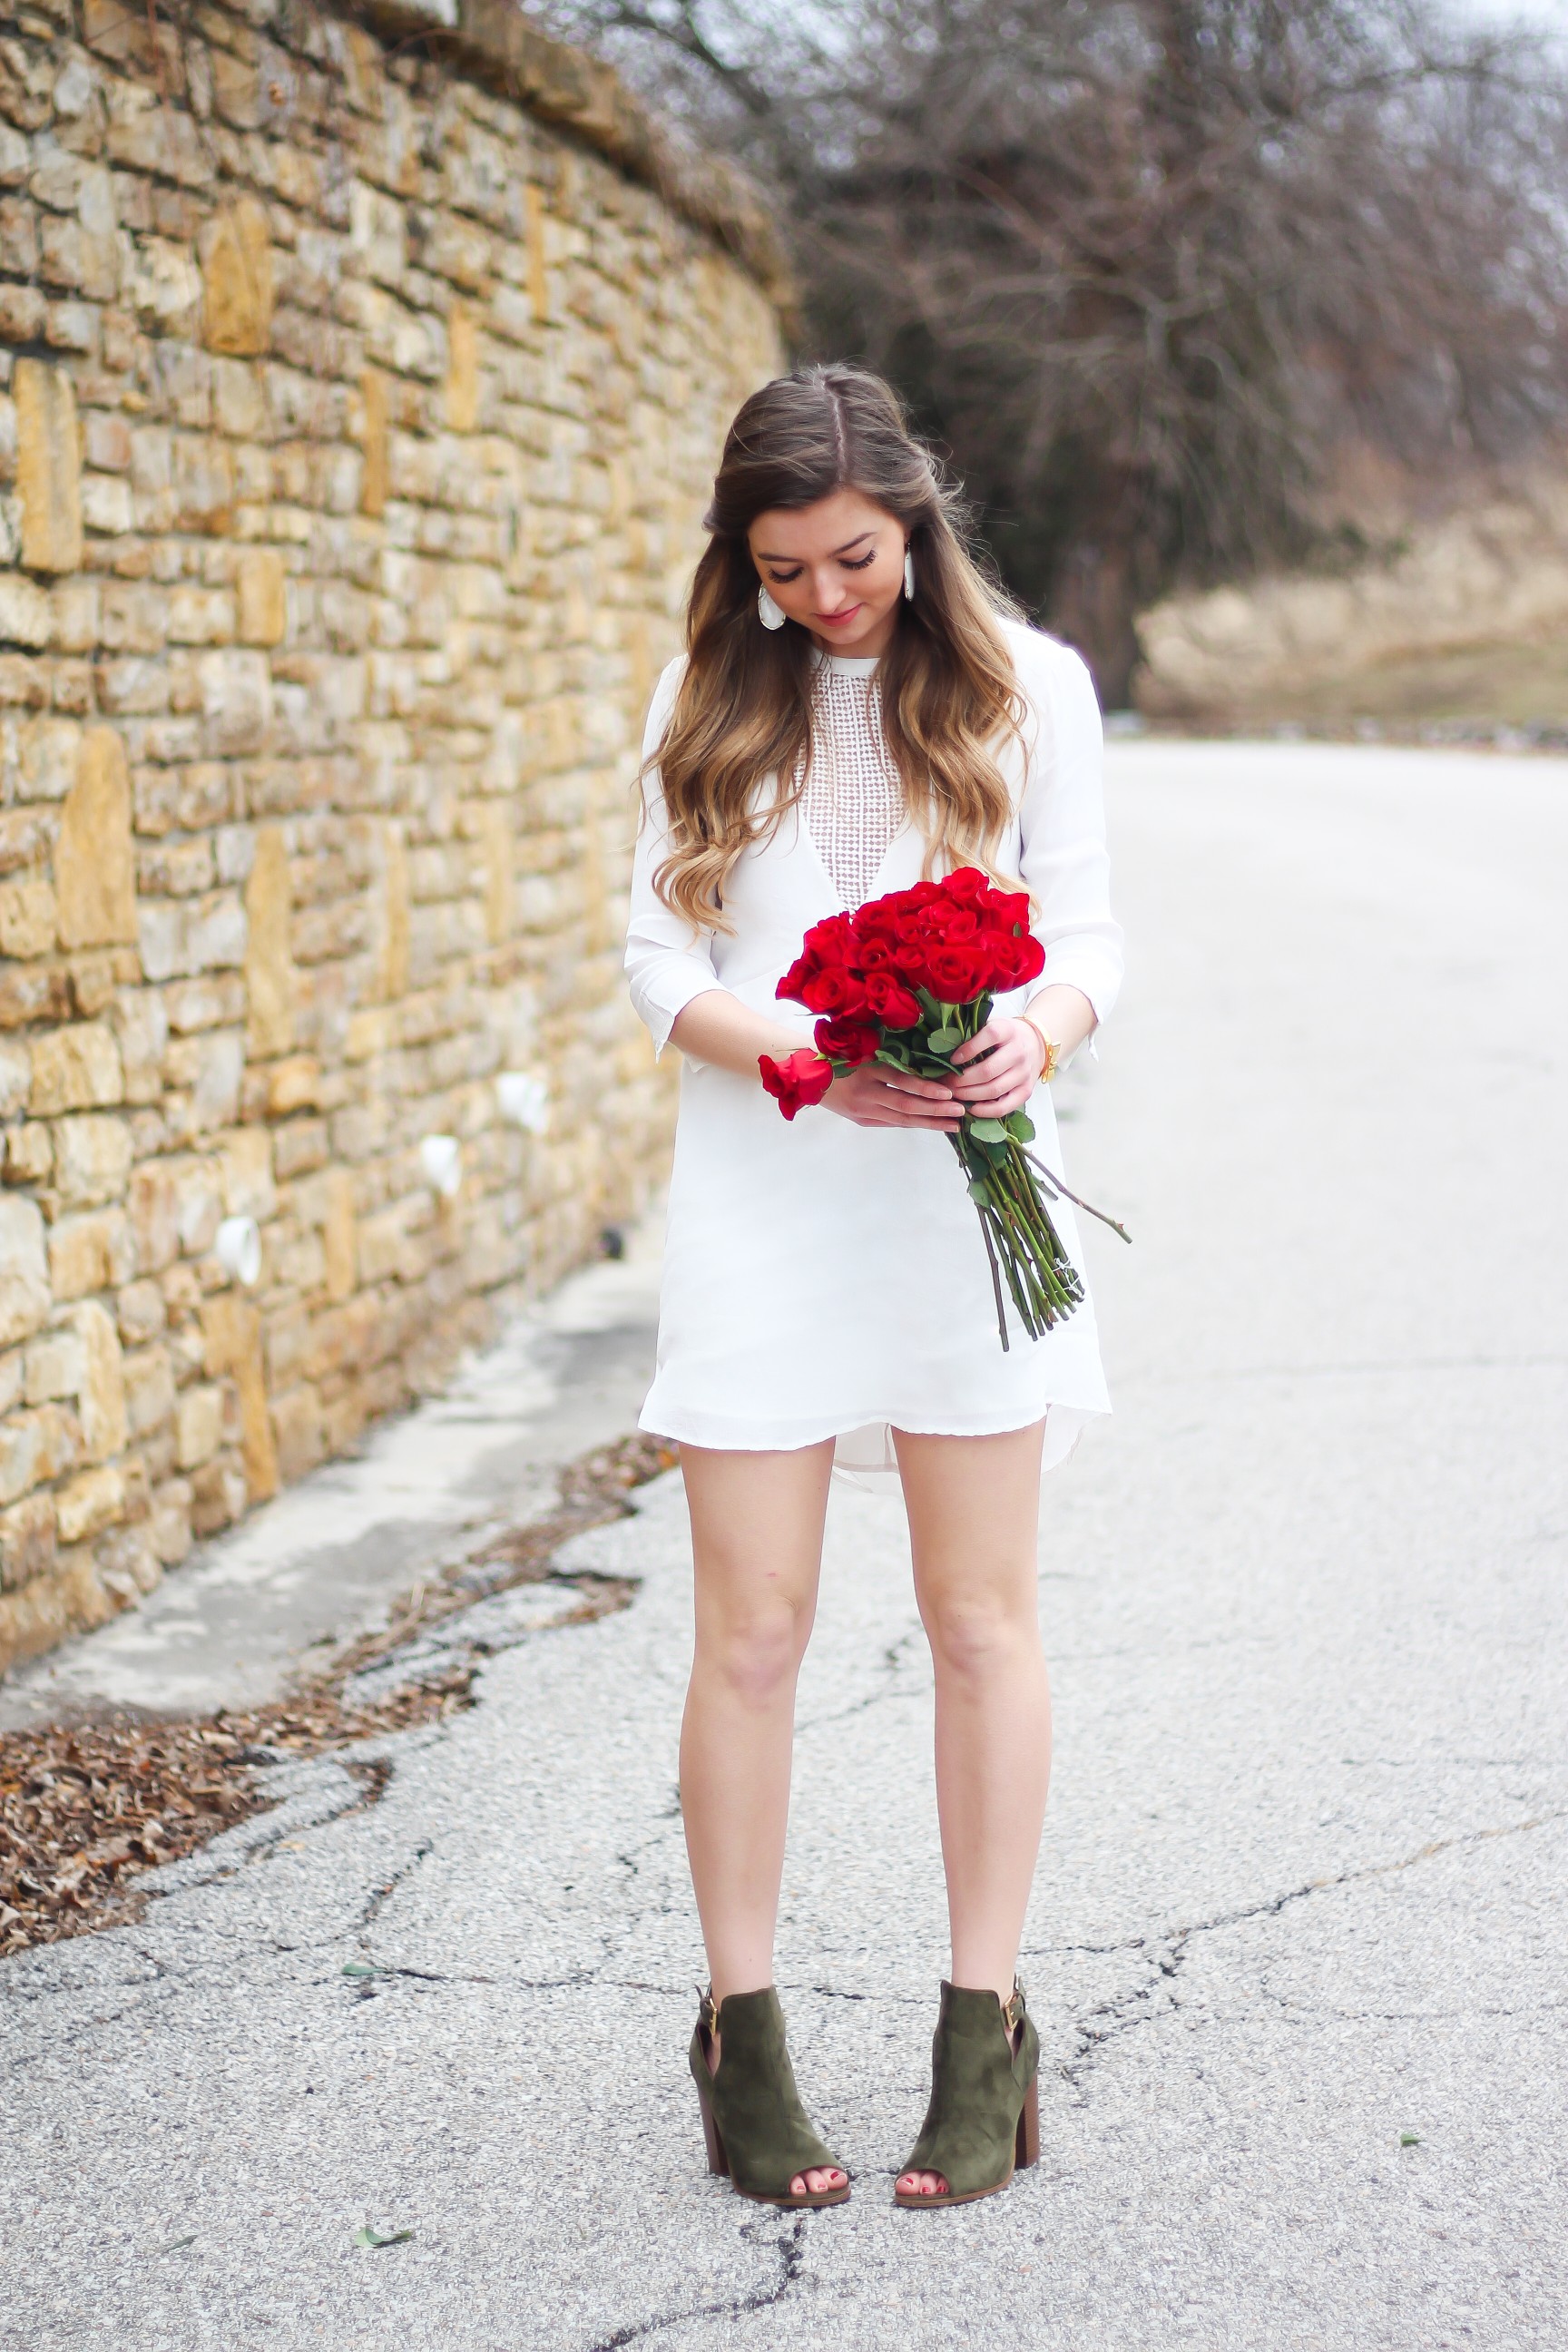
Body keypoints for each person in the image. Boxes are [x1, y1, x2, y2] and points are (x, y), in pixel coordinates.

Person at [624, 366, 1122, 2210]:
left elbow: (1086, 931)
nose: (828, 600)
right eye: (785, 569)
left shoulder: (1028, 687)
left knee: (982, 1620)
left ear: (913, 522)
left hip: (960, 1208)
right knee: (752, 1634)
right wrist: (811, 1055)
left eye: (854, 558)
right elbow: (650, 958)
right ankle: (739, 2032)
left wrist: (1029, 1034)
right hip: (768, 1197)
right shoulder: (699, 698)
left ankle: (982, 2029)